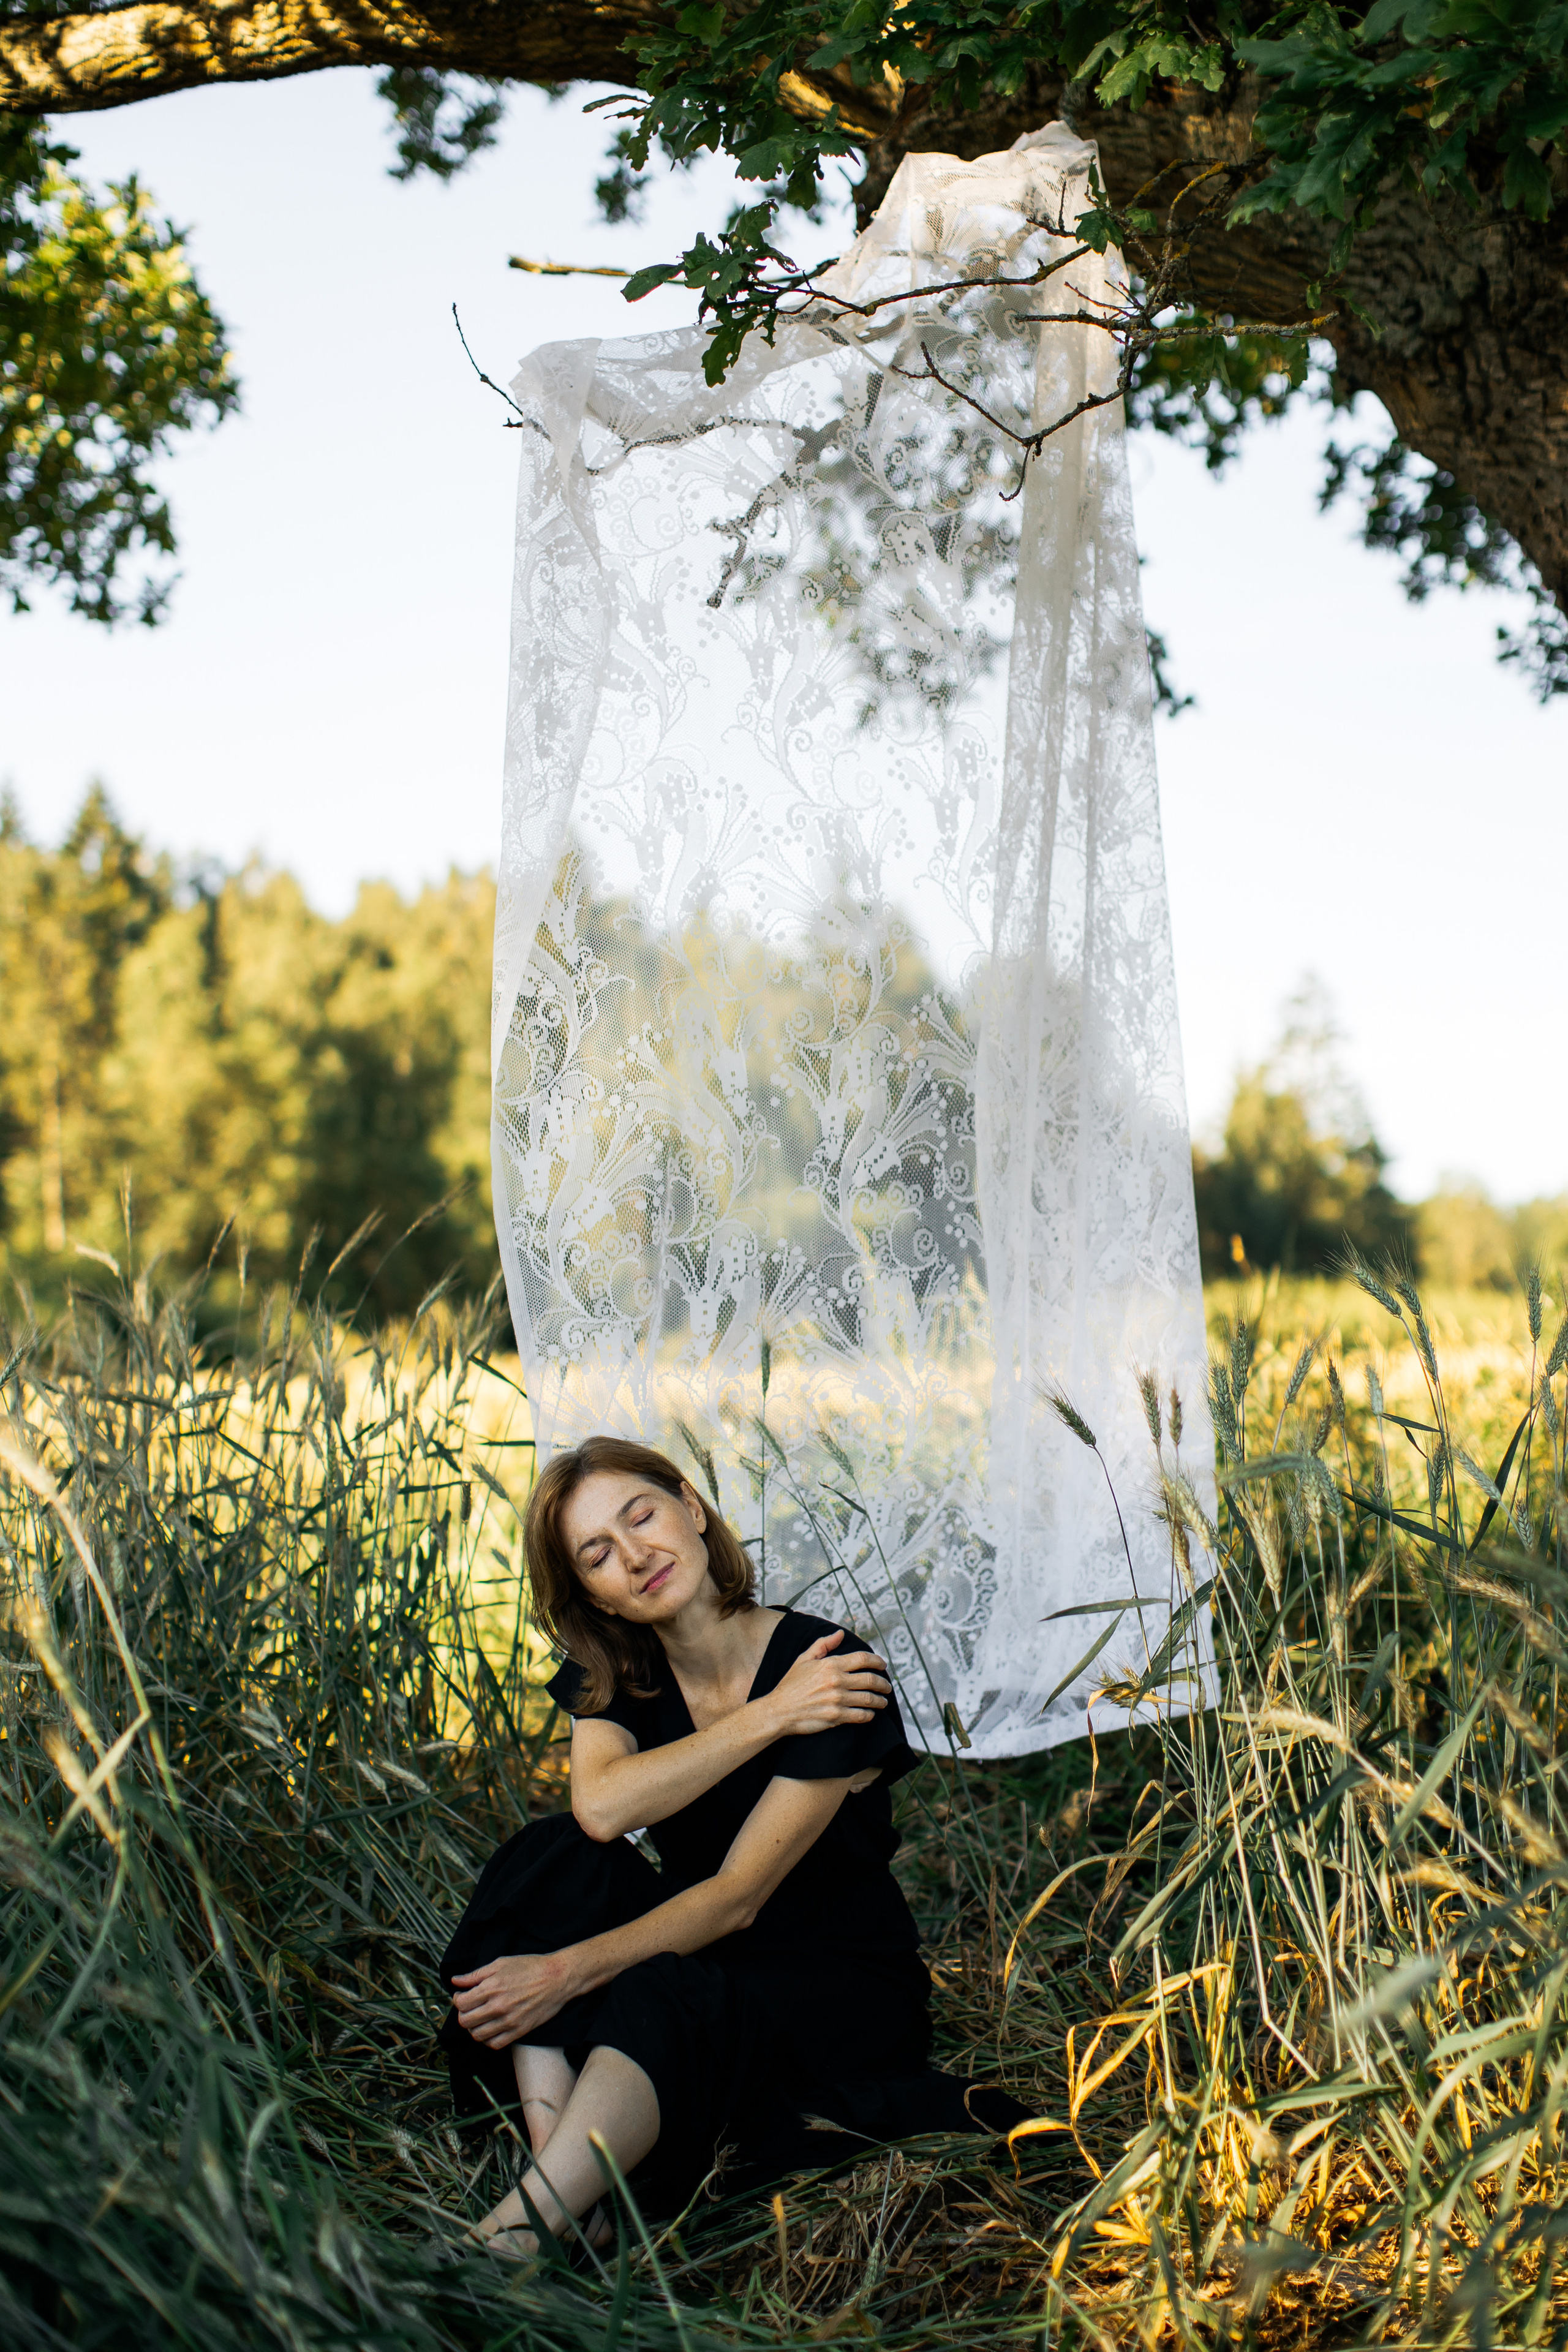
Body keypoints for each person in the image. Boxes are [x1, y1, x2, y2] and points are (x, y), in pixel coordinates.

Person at [437, 1435, 1026, 2257]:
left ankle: (515, 2235)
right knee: (550, 1859)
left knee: (664, 1993)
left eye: (642, 1516)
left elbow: (737, 1896)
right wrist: (772, 1716)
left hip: (837, 1984)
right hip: (703, 1954)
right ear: (595, 1597)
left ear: (691, 1505)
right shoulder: (621, 1671)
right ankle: (569, 2181)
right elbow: (600, 1810)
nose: (634, 1556)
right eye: (597, 1555)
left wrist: (564, 1973)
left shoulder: (828, 1667)